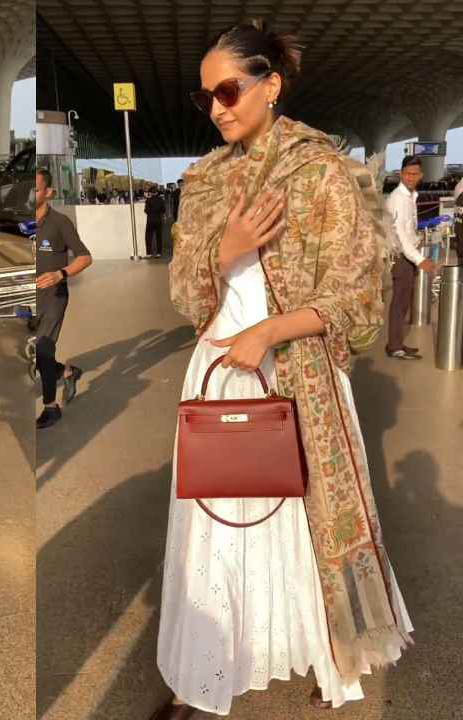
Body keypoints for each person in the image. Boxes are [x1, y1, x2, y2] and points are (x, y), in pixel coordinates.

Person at [159, 21, 412, 720]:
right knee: (215, 524)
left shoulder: (321, 169)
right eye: (204, 96)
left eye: (230, 90)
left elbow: (358, 287)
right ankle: (202, 673)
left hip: (295, 372)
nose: (217, 107)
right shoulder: (204, 181)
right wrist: (226, 251)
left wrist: (270, 329)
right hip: (218, 367)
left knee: (308, 522)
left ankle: (332, 653)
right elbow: (184, 293)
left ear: (270, 86)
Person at [33, 169, 91, 430]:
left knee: (43, 350)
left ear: (48, 193)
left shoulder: (60, 222)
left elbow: (84, 256)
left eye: (35, 189)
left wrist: (61, 274)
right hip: (25, 298)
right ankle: (67, 372)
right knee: (32, 355)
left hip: (52, 298)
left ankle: (50, 408)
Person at [385, 156, 434, 359]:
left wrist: (417, 239)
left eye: (415, 174)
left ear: (421, 175)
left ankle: (398, 343)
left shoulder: (410, 196)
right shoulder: (398, 198)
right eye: (407, 173)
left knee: (403, 301)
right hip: (401, 257)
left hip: (408, 254)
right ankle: (394, 346)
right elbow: (399, 233)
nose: (411, 177)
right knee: (399, 302)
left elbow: (408, 229)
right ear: (401, 173)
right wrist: (418, 259)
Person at [144, 187, 166, 257]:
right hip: (158, 220)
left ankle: (149, 253)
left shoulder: (148, 200)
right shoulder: (161, 200)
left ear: (151, 193)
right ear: (157, 192)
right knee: (158, 237)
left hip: (150, 220)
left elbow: (146, 210)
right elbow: (163, 210)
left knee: (148, 237)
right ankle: (159, 253)